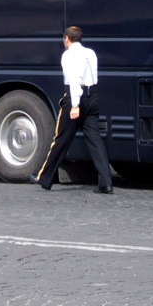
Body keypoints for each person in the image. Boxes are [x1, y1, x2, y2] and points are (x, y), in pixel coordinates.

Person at [30, 26, 114, 194]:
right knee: (96, 142)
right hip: (92, 98)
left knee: (61, 140)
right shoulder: (90, 53)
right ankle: (106, 182)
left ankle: (44, 178)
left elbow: (76, 79)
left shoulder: (68, 55)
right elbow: (93, 77)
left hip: (77, 98)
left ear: (67, 39)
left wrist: (75, 105)